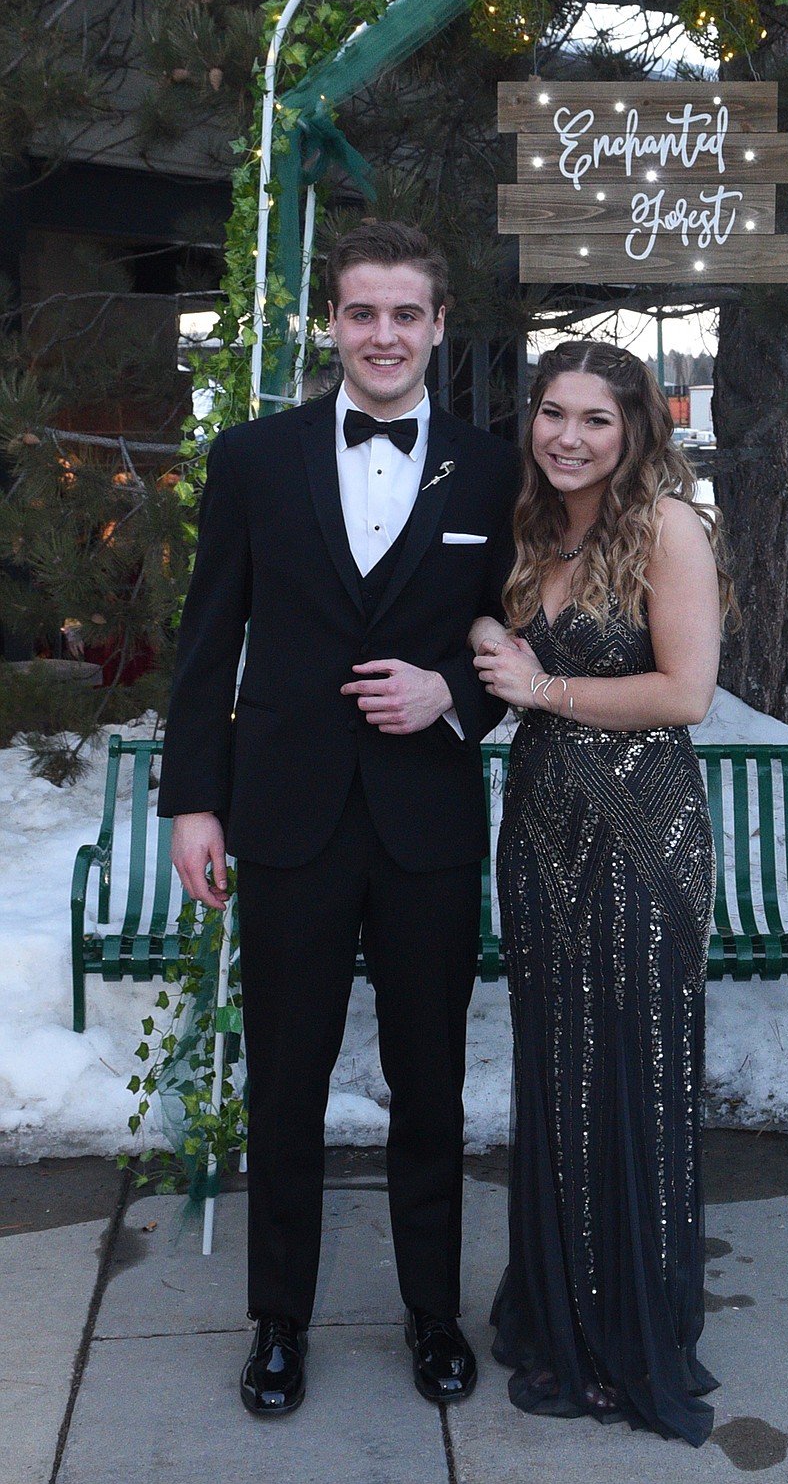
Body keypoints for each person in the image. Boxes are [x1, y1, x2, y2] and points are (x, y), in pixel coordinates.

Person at [159, 221, 519, 1417]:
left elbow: (526, 647)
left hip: (426, 824)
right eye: (362, 313)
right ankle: (278, 1322)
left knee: (430, 1084)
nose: (382, 335)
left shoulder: (488, 467)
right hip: (288, 815)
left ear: (436, 325)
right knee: (287, 1080)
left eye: (405, 314)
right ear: (333, 322)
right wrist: (194, 801)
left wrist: (452, 696)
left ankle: (431, 1314)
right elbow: (209, 643)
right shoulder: (254, 459)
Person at [472, 339, 733, 1447]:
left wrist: (545, 684)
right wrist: (491, 632)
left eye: (595, 419)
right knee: (558, 1068)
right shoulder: (531, 525)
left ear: (634, 432)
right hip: (538, 827)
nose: (569, 435)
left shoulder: (668, 527)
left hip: (643, 831)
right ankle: (561, 1310)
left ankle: (632, 1326)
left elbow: (686, 692)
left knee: (631, 1069)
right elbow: (491, 637)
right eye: (552, 413)